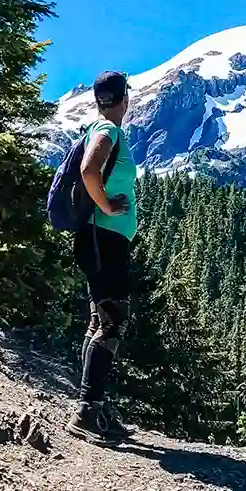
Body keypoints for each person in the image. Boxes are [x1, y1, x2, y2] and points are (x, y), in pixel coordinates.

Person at [67, 69, 138, 443]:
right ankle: (87, 410)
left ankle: (91, 405)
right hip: (104, 238)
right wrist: (108, 206)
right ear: (123, 99)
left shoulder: (99, 128)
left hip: (100, 239)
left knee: (100, 321)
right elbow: (89, 169)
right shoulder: (108, 131)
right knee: (112, 321)